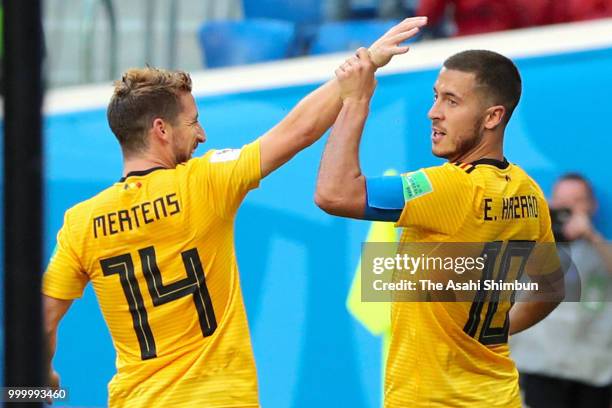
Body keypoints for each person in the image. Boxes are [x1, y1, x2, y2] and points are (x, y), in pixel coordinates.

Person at [41, 17, 427, 408]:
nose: (202, 135)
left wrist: (40, 380)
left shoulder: (80, 223)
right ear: (161, 129)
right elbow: (296, 132)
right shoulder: (204, 181)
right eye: (192, 122)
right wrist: (359, 72)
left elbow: (42, 320)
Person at [315, 49, 564, 406]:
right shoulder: (527, 192)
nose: (434, 112)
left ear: (493, 116)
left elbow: (333, 193)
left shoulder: (447, 188)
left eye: (451, 101)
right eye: (436, 97)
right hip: (499, 396)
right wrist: (487, 334)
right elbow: (551, 289)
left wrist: (355, 100)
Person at [511, 173, 612, 408]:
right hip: (540, 367)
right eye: (561, 200)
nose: (568, 208)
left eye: (577, 201)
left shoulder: (602, 248)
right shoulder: (533, 243)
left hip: (592, 371)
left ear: (591, 206)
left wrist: (591, 236)